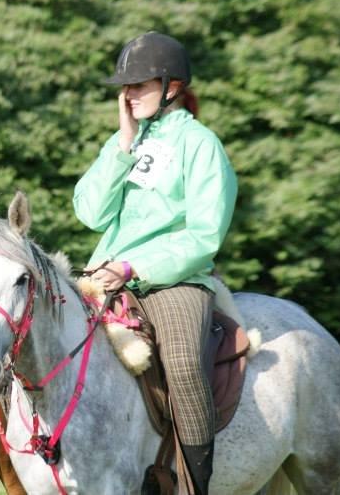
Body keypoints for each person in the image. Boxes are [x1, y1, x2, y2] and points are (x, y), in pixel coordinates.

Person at [73, 32, 237, 495]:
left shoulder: (201, 144)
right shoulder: (125, 141)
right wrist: (121, 146)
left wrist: (133, 266)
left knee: (184, 364)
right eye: (124, 87)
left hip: (174, 281)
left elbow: (205, 235)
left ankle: (194, 484)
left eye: (138, 84)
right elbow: (89, 212)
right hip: (103, 277)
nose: (127, 94)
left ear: (172, 86)